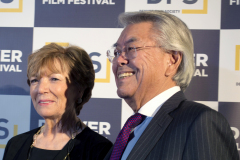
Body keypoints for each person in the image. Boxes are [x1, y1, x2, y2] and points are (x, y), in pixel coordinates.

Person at [104, 11, 239, 160]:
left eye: (131, 49)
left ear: (173, 60)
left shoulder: (200, 122)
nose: (119, 60)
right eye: (116, 52)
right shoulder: (130, 130)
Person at [3, 43, 112, 160]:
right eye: (35, 80)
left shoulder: (99, 149)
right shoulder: (15, 144)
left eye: (54, 79)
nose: (40, 89)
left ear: (80, 89)